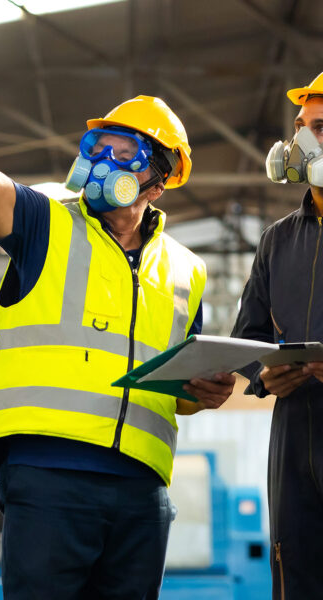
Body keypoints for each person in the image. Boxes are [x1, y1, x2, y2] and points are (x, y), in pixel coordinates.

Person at [0, 69, 235, 600]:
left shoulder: (187, 270)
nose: (101, 161)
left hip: (142, 487)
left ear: (158, 178)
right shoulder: (46, 223)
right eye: (96, 146)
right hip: (48, 476)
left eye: (121, 150)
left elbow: (179, 389)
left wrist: (203, 394)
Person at [232, 71, 323, 600]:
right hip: (295, 436)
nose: (304, 141)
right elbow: (249, 335)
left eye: (320, 127)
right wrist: (264, 376)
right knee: (297, 571)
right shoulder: (277, 241)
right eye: (301, 127)